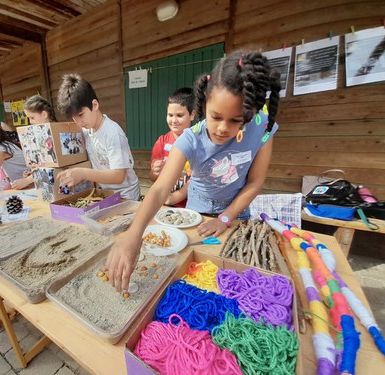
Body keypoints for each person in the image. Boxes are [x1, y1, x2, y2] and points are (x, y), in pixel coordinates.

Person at [106, 51, 282, 291]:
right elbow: (159, 189)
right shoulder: (192, 137)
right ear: (203, 105)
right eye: (216, 116)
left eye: (236, 120)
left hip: (236, 214)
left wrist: (225, 218)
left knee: (232, 278)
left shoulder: (262, 126)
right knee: (196, 275)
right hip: (196, 214)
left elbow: (255, 182)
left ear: (249, 114)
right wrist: (133, 235)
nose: (222, 128)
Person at [56, 73, 140, 201]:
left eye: (81, 114)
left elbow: (118, 176)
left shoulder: (112, 133)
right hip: (106, 194)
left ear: (94, 105)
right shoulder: (86, 131)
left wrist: (82, 173)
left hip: (126, 196)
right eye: (74, 118)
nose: (79, 122)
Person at [150, 87, 195, 207]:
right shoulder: (161, 142)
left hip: (191, 206)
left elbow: (198, 178)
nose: (174, 120)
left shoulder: (198, 143)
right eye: (170, 115)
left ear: (192, 115)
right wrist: (155, 171)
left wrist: (179, 195)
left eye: (179, 115)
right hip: (166, 204)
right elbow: (153, 178)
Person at [9, 95, 58, 190]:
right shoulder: (42, 135)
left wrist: (28, 180)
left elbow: (54, 166)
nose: (30, 122)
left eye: (32, 117)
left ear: (44, 114)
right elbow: (43, 164)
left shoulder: (54, 134)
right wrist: (32, 173)